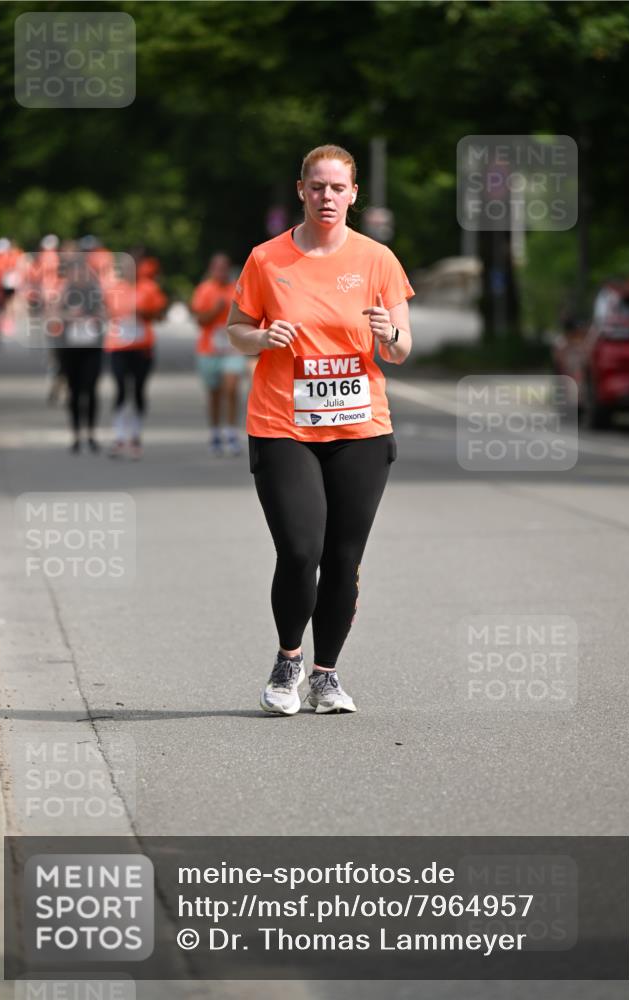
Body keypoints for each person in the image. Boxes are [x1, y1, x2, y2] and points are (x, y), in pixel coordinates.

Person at [227, 144, 414, 715]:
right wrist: (261, 338)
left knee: (342, 559)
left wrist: (388, 334)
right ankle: (288, 661)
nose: (326, 197)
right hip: (283, 424)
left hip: (360, 429)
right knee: (300, 549)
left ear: (353, 194)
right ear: (301, 191)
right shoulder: (267, 259)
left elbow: (401, 350)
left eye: (337, 188)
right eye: (317, 187)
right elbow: (236, 328)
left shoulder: (378, 259)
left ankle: (325, 676)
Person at [104, 255, 167, 459]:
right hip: (118, 346)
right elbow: (104, 312)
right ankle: (119, 436)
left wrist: (144, 312)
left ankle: (135, 435)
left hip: (142, 347)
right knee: (121, 388)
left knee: (139, 389)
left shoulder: (149, 288)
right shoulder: (113, 288)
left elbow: (160, 315)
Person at [191, 253, 246, 456]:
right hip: (209, 349)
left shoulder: (237, 288)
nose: (221, 272)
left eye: (224, 268)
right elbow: (200, 320)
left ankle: (231, 433)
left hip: (232, 348)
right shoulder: (204, 289)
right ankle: (215, 433)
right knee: (214, 393)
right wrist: (216, 310)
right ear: (211, 269)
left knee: (231, 389)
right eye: (217, 268)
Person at [55, 253, 106, 453]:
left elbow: (105, 313)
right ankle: (76, 435)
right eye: (75, 273)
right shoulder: (65, 291)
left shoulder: (94, 291)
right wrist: (69, 316)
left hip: (92, 347)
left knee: (91, 389)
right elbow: (54, 314)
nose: (79, 276)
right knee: (74, 391)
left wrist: (94, 317)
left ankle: (91, 434)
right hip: (70, 348)